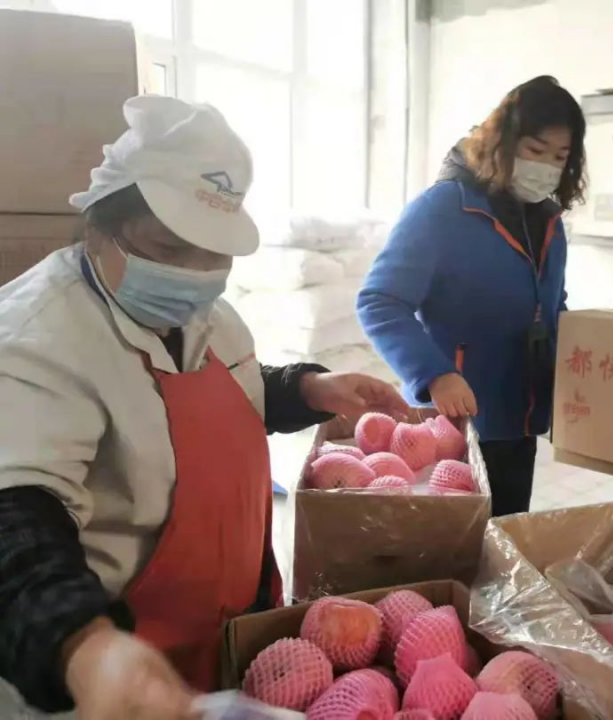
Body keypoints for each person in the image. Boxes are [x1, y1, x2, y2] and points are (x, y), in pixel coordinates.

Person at [0, 96, 408, 719]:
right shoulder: (35, 341)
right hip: (110, 682)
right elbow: (15, 518)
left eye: (213, 255)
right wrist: (87, 649)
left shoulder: (208, 315)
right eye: (169, 247)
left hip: (220, 638)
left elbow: (219, 399)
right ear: (100, 227)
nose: (194, 274)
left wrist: (307, 389)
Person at [357, 76, 586, 517]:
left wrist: (575, 375)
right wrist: (435, 374)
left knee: (505, 533)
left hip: (521, 419)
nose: (546, 167)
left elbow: (552, 307)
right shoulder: (443, 209)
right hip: (455, 422)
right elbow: (380, 300)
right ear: (501, 142)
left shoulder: (549, 223)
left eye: (560, 157)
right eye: (535, 150)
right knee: (452, 541)